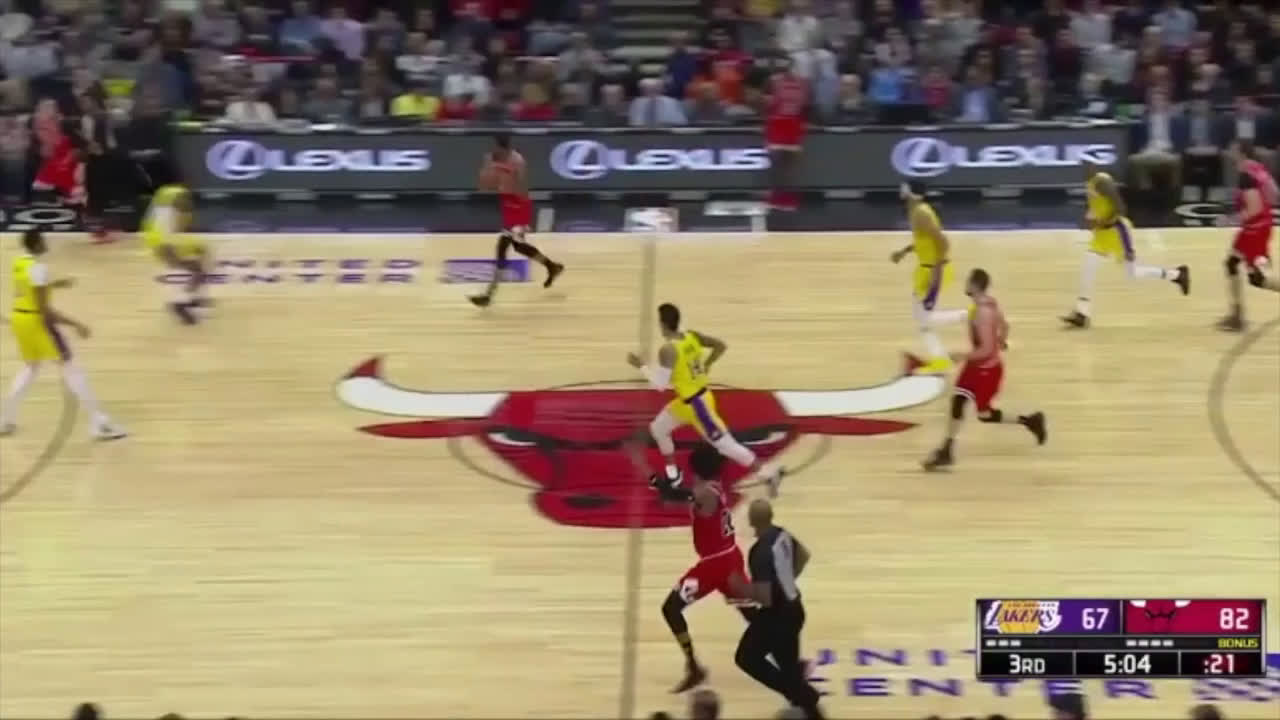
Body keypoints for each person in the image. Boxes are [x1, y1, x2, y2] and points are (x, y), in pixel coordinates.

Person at [627, 303, 784, 489]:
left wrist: (641, 366)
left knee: (726, 445)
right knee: (658, 429)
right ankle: (673, 475)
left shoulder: (668, 350)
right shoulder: (692, 336)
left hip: (699, 407)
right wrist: (708, 364)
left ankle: (769, 473)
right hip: (688, 402)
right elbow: (720, 346)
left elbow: (660, 386)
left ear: (663, 324)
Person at [650, 444, 758, 692]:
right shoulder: (711, 488)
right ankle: (793, 660)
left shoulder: (704, 493)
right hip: (729, 557)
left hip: (715, 565)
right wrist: (658, 483)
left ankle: (694, 667)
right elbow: (673, 500)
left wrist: (650, 475)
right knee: (752, 616)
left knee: (671, 609)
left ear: (693, 468)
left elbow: (673, 497)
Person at [0, 230, 126, 440]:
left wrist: (57, 284)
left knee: (30, 368)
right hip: (37, 321)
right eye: (42, 240)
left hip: (19, 319)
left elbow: (31, 288)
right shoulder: (39, 269)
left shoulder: (20, 262)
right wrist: (76, 324)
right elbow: (44, 309)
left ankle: (4, 420)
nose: (46, 243)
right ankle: (100, 423)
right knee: (73, 369)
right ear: (36, 244)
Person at [922, 268, 1046, 470]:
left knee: (984, 415)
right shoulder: (989, 303)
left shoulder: (983, 312)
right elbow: (1005, 326)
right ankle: (946, 451)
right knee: (959, 403)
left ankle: (1030, 421)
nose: (965, 284)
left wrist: (961, 356)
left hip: (986, 371)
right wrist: (1001, 341)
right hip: (977, 368)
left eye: (967, 281)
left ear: (974, 285)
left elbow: (987, 350)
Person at [1060, 163, 1189, 328]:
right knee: (1088, 267)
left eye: (1087, 164)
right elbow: (1098, 207)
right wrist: (1091, 219)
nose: (1084, 167)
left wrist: (1107, 226)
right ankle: (1082, 313)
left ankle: (1177, 275)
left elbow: (1121, 208)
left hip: (1117, 232)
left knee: (1133, 273)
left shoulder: (1103, 182)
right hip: (1102, 234)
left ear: (1094, 167)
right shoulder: (1090, 184)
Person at [728, 499, 823, 720]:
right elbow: (803, 556)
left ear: (752, 520)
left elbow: (765, 597)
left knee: (746, 658)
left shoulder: (759, 552)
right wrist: (787, 579)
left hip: (776, 617)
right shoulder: (782, 534)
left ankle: (803, 695)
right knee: (789, 669)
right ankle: (811, 709)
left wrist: (740, 588)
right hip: (795, 609)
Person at [469, 134, 564, 307]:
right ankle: (552, 267)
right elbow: (484, 186)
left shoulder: (517, 160)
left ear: (501, 147)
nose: (493, 150)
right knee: (519, 247)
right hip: (508, 205)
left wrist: (502, 171)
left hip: (519, 206)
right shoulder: (493, 160)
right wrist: (488, 168)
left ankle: (488, 295)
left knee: (503, 247)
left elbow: (521, 187)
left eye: (495, 147)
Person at [890, 181, 968, 375]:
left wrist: (936, 274)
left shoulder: (921, 213)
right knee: (922, 319)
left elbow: (942, 242)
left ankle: (968, 316)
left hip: (933, 270)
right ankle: (941, 358)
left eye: (905, 187)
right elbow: (924, 241)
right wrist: (904, 251)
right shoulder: (916, 212)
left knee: (924, 321)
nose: (901, 189)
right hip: (927, 268)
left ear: (911, 193)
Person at [1216, 140, 1279, 331]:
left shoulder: (1245, 175)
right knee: (1234, 265)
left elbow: (1254, 208)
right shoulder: (1258, 168)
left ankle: (1237, 317)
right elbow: (1274, 194)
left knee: (1254, 277)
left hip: (1254, 230)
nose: (1229, 152)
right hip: (1261, 227)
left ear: (1240, 153)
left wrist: (1230, 220)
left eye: (1232, 149)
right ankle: (1237, 314)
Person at [141, 184, 210, 325]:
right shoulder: (179, 195)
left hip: (153, 240)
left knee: (193, 265)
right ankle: (182, 302)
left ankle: (191, 298)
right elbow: (182, 211)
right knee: (199, 265)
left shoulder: (163, 194)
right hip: (165, 242)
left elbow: (151, 222)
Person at [763, 57, 809, 212]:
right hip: (777, 125)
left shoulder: (803, 84)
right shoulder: (774, 82)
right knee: (776, 165)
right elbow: (768, 105)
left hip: (793, 126)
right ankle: (775, 198)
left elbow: (804, 106)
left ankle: (789, 199)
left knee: (789, 168)